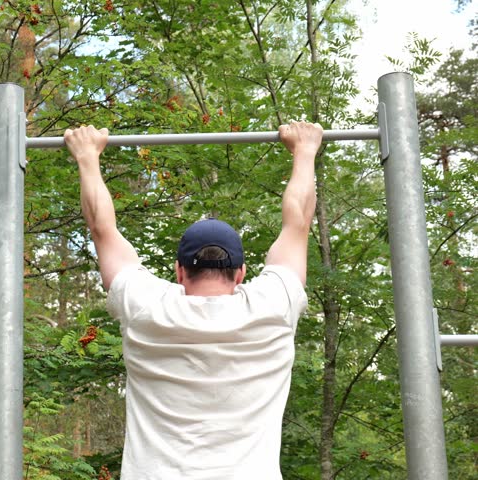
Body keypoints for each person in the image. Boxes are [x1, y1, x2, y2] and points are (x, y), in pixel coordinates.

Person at [64, 121, 323, 479]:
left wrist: (87, 156)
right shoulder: (273, 306)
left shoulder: (146, 307)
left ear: (179, 271)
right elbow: (298, 223)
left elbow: (101, 229)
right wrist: (305, 151)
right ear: (241, 272)